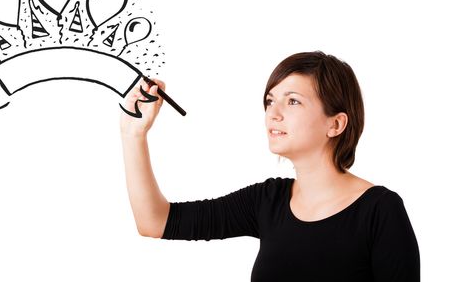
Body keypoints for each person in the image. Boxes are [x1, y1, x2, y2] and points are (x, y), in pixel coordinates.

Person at [119, 51, 420, 281]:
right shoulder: (268, 201)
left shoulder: (381, 211)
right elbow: (155, 222)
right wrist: (133, 134)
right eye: (269, 101)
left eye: (292, 102)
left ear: (336, 123)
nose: (272, 114)